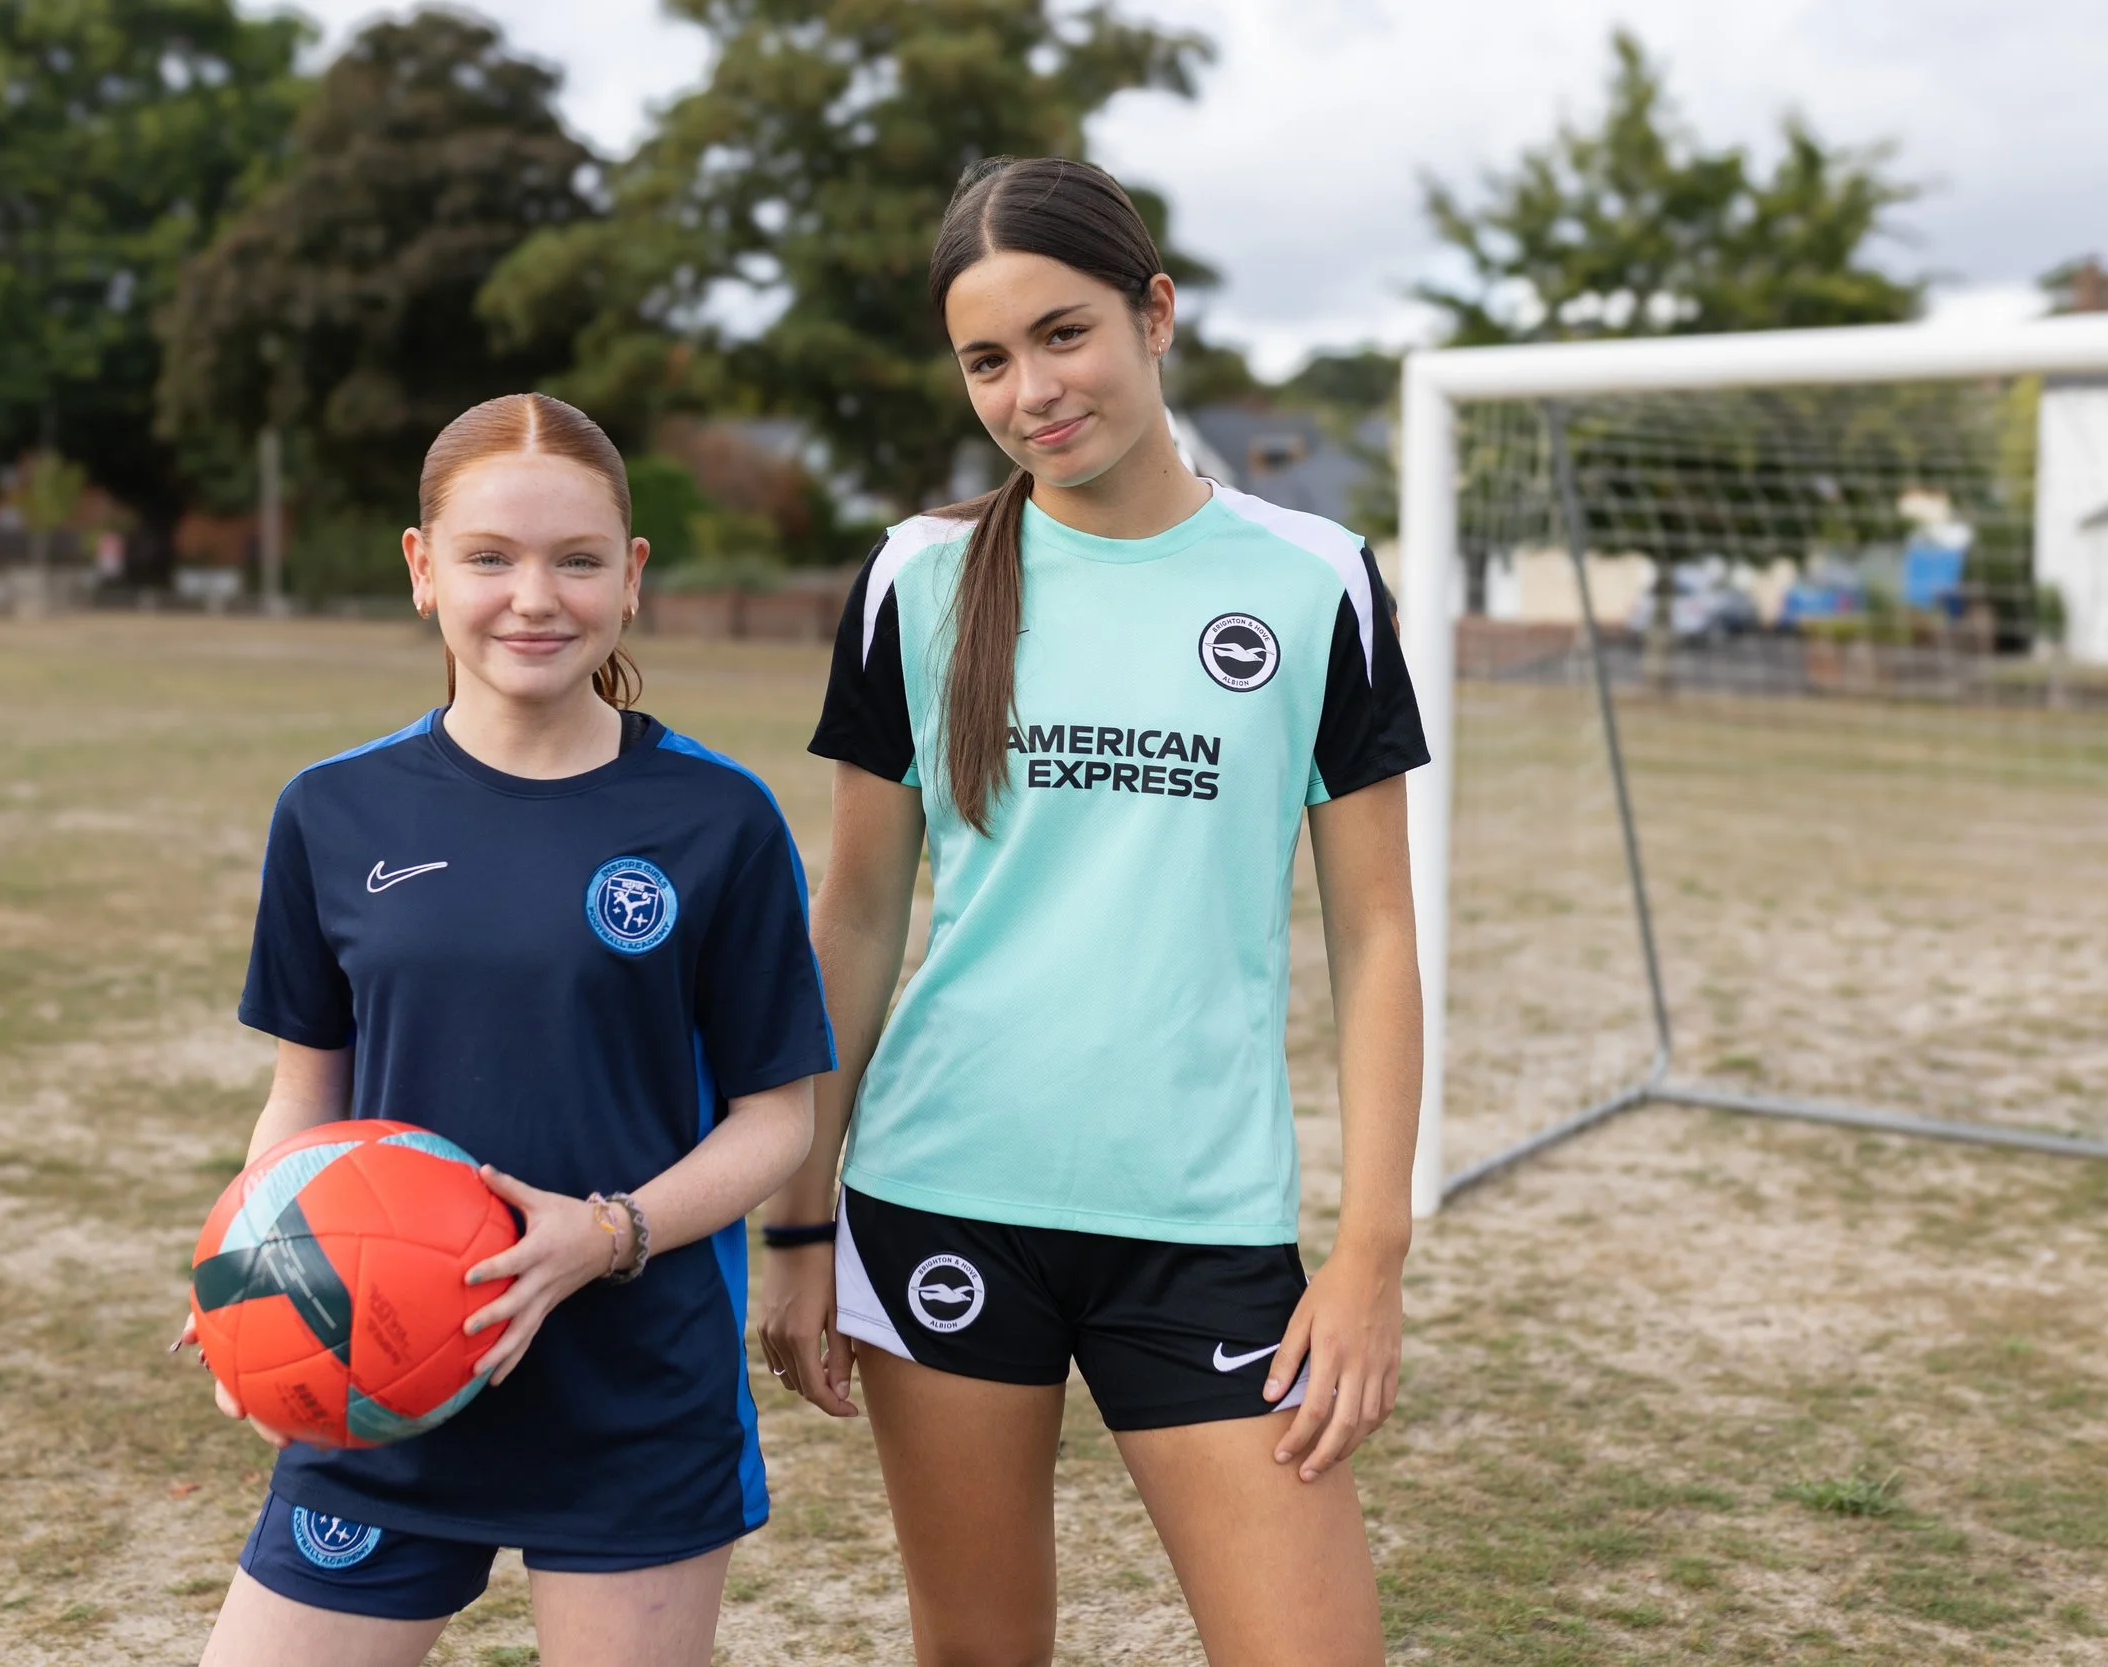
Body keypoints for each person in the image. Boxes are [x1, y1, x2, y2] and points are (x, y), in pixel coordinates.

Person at [757, 157, 1428, 1666]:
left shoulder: (1315, 578)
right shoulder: (918, 579)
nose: (1031, 390)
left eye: (1063, 334)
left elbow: (1377, 937)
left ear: (1155, 313)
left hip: (1199, 1219)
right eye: (987, 359)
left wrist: (1369, 1254)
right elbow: (854, 920)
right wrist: (796, 1217)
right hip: (944, 1194)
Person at [185, 393, 835, 1667]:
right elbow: (303, 1097)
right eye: (490, 556)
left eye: (575, 559)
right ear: (423, 570)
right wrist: (252, 1266)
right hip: (376, 1364)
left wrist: (605, 1234)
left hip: (629, 1387)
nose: (533, 596)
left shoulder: (719, 819)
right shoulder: (332, 810)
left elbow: (778, 1118)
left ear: (631, 577)